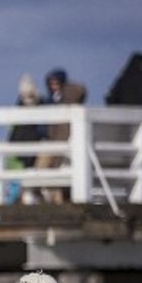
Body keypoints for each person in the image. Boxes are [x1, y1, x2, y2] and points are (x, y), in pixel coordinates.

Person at [37, 68, 86, 205]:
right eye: (51, 83)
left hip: (61, 141)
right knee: (45, 171)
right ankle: (52, 200)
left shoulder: (66, 97)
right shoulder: (51, 100)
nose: (53, 86)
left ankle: (55, 201)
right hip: (53, 140)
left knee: (49, 170)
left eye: (56, 83)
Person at [6, 73, 45, 205]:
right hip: (20, 153)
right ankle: (17, 202)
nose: (27, 97)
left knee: (30, 184)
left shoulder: (41, 107)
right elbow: (14, 134)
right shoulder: (20, 109)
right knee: (17, 184)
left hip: (34, 151)